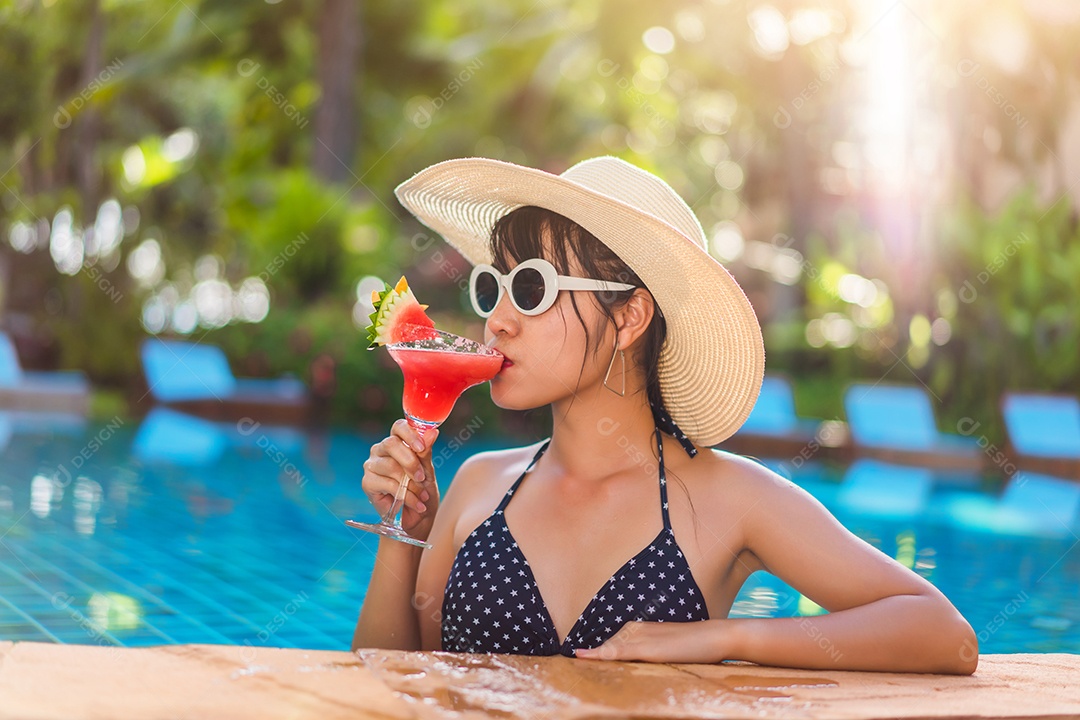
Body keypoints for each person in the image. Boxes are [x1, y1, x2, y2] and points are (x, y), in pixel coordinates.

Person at [352, 156, 978, 674]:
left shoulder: (731, 497)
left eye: (532, 289)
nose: (497, 320)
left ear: (628, 318)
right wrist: (404, 531)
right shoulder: (477, 486)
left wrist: (728, 640)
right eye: (494, 287)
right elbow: (392, 677)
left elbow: (945, 635)